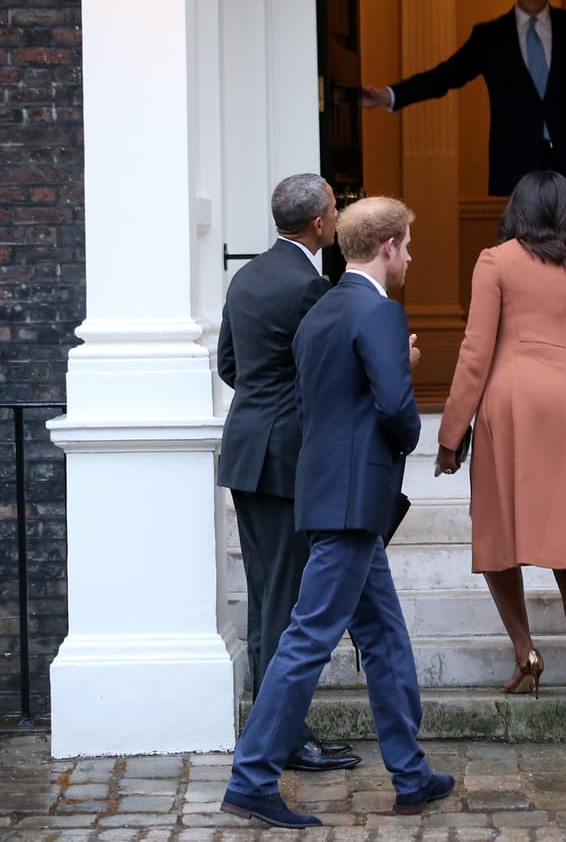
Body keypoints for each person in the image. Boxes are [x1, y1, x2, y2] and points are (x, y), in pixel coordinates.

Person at [221, 197, 454, 829]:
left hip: (327, 490)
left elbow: (316, 396)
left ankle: (410, 774)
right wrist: (402, 380)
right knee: (306, 640)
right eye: (406, 245)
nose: (409, 255)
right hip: (354, 498)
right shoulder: (378, 311)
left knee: (383, 636)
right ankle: (251, 778)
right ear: (387, 247)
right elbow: (396, 412)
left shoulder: (322, 309)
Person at [435, 171, 566, 751]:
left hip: (515, 404)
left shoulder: (496, 261)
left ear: (517, 211)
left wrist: (451, 434)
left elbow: (476, 350)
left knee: (500, 532)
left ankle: (526, 651)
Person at [216, 173, 358, 774]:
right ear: (321, 224)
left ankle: (266, 722)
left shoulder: (245, 276)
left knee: (265, 597)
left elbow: (230, 364)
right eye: (334, 209)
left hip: (248, 452)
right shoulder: (308, 287)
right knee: (285, 603)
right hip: (282, 462)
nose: (337, 216)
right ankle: (282, 737)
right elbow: (323, 376)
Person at [359, 0, 566, 248]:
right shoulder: (490, 37)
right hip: (518, 167)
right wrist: (388, 95)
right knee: (524, 262)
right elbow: (445, 76)